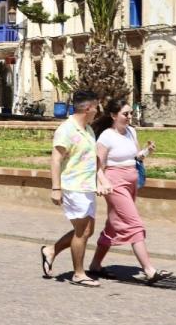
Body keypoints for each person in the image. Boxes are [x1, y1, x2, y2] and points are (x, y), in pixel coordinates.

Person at [85, 99, 171, 283]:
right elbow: (98, 165)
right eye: (125, 114)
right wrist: (102, 183)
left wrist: (147, 151)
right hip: (115, 183)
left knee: (113, 225)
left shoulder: (132, 131)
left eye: (131, 113)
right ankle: (149, 270)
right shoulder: (106, 137)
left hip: (131, 181)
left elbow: (135, 157)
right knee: (134, 223)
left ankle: (95, 265)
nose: (129, 117)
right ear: (114, 116)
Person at [39, 90, 102, 288]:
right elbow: (56, 159)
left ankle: (51, 250)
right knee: (82, 232)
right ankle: (78, 273)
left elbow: (91, 159)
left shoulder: (87, 129)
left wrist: (100, 181)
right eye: (97, 106)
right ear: (89, 108)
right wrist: (56, 188)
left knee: (86, 230)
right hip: (73, 187)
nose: (98, 110)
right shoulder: (66, 130)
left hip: (87, 187)